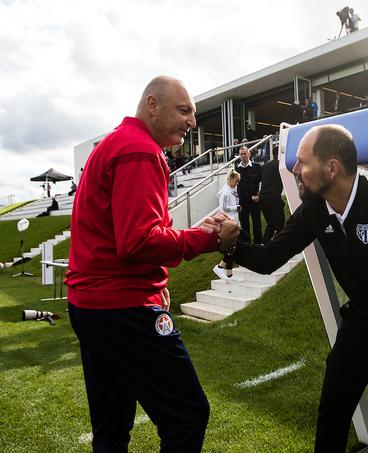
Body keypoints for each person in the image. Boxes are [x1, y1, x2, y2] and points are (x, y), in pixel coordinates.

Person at [221, 124, 368, 452]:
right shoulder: (313, 211)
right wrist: (231, 244)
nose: (295, 170)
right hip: (365, 323)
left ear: (332, 167)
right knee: (333, 412)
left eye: (303, 162)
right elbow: (269, 258)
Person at [64, 75, 238, 453]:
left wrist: (160, 278)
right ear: (152, 105)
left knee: (111, 430)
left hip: (90, 305)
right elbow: (138, 243)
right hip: (121, 307)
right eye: (184, 110)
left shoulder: (114, 143)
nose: (192, 121)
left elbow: (131, 235)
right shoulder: (140, 151)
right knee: (187, 415)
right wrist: (209, 239)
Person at [213, 170, 244, 282]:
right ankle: (220, 267)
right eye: (236, 181)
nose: (237, 183)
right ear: (231, 179)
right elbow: (224, 208)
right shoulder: (225, 192)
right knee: (234, 248)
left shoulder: (230, 191)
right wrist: (236, 207)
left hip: (233, 222)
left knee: (231, 249)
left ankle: (229, 274)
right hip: (229, 223)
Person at [251, 157, 285, 244]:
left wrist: (255, 193)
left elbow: (254, 180)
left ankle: (264, 246)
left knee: (271, 225)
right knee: (280, 226)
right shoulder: (281, 165)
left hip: (263, 199)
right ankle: (278, 247)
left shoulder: (265, 166)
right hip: (274, 198)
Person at [235, 146, 263, 243]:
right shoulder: (236, 169)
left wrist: (260, 194)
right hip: (242, 202)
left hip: (255, 201)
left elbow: (263, 182)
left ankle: (258, 245)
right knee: (244, 226)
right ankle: (247, 247)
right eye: (241, 154)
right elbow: (234, 185)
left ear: (249, 154)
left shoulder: (257, 167)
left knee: (257, 225)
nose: (243, 156)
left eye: (245, 153)